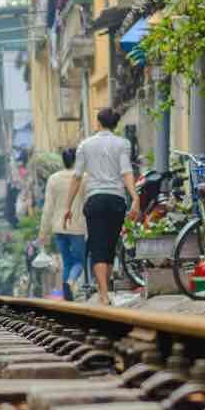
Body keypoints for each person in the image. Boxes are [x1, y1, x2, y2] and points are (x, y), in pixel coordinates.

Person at [64, 108, 138, 305]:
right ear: (114, 124)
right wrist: (135, 198)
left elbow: (77, 176)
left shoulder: (85, 145)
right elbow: (126, 172)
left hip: (95, 200)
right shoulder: (123, 144)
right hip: (116, 201)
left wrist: (67, 206)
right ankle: (106, 292)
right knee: (109, 246)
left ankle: (104, 294)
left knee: (97, 246)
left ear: (98, 123)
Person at [39, 146, 88, 300]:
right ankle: (71, 281)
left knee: (67, 261)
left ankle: (68, 297)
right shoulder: (84, 177)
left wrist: (43, 231)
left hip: (59, 227)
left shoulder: (53, 179)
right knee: (80, 261)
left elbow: (48, 207)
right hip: (78, 226)